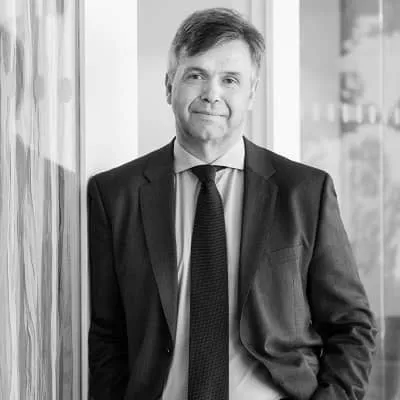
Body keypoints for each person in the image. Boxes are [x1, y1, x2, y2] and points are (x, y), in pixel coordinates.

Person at [88, 8, 377, 400]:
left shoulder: (305, 192)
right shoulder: (115, 195)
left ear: (251, 93)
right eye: (196, 75)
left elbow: (352, 326)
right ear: (169, 85)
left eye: (230, 79)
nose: (212, 94)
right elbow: (106, 337)